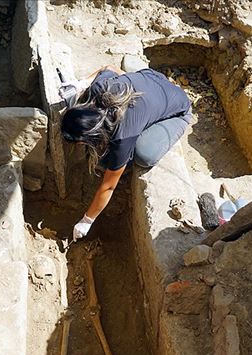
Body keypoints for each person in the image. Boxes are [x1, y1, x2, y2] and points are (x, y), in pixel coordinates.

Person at [61, 64, 193, 241]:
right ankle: (147, 108)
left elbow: (108, 186)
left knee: (144, 155)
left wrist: (87, 220)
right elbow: (108, 67)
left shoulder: (123, 136)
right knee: (105, 157)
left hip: (177, 109)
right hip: (152, 79)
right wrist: (81, 83)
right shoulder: (98, 88)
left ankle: (157, 120)